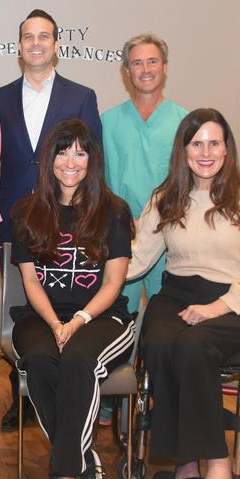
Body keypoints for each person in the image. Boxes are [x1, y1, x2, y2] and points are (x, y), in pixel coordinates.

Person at [130, 108, 240, 479]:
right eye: (197, 144)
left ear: (227, 149)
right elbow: (137, 259)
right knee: (158, 341)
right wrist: (84, 266)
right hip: (176, 294)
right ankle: (185, 459)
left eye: (214, 143)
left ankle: (218, 462)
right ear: (184, 150)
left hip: (235, 301)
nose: (206, 152)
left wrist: (217, 307)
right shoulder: (166, 198)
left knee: (192, 345)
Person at [10, 119, 135, 479]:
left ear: (92, 161)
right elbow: (31, 281)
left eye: (80, 153)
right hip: (42, 317)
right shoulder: (26, 211)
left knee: (79, 358)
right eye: (63, 152)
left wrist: (79, 320)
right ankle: (85, 463)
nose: (70, 162)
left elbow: (113, 282)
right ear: (49, 159)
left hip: (102, 317)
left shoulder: (114, 211)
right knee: (38, 357)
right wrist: (55, 323)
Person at [0, 8, 103, 433]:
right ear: (19, 46)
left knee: (61, 297)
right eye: (28, 36)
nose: (36, 43)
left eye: (44, 36)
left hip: (67, 220)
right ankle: (22, 394)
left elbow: (93, 160)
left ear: (56, 44)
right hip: (12, 218)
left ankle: (64, 391)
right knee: (21, 304)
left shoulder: (81, 96)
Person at [102, 33, 188, 315]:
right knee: (117, 315)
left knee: (166, 317)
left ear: (165, 66)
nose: (145, 69)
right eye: (137, 63)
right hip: (122, 234)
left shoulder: (184, 122)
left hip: (170, 234)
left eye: (152, 61)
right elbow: (98, 181)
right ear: (127, 70)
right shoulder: (109, 122)